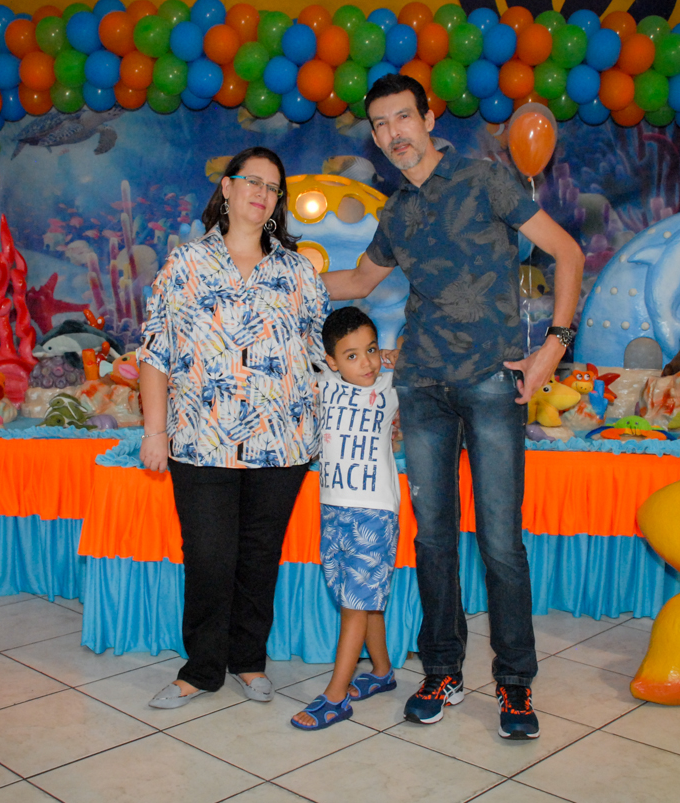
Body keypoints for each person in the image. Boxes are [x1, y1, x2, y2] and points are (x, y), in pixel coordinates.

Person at [321, 75, 584, 740]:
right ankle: (441, 669)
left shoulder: (485, 180)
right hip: (423, 387)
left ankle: (516, 683)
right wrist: (275, 273)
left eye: (403, 117)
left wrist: (555, 344)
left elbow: (568, 253)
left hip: (495, 382)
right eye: (380, 125)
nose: (393, 134)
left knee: (500, 543)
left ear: (429, 116)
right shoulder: (395, 212)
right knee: (433, 539)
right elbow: (357, 281)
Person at [138, 146, 330, 709]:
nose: (261, 192)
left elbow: (322, 357)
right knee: (209, 557)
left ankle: (249, 660)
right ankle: (200, 669)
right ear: (226, 188)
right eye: (251, 181)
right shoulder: (185, 265)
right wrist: (155, 432)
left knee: (258, 556)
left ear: (277, 203)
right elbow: (155, 353)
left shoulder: (297, 272)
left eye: (273, 187)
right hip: (200, 442)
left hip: (283, 444)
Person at [292, 307, 400, 730]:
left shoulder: (391, 385)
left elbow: (417, 360)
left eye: (370, 350)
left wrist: (388, 354)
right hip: (332, 507)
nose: (367, 362)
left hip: (374, 511)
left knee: (355, 604)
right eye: (352, 355)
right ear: (332, 360)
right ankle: (381, 673)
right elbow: (295, 350)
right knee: (356, 598)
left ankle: (336, 697)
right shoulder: (324, 383)